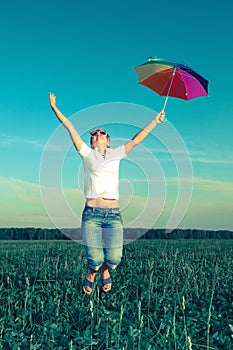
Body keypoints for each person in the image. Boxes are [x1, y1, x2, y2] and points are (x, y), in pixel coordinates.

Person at [49, 92, 165, 294]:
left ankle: (104, 270)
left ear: (108, 140)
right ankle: (92, 272)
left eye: (101, 133)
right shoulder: (87, 153)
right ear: (92, 142)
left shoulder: (116, 153)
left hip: (113, 214)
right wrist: (55, 108)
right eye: (94, 135)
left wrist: (155, 120)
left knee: (114, 259)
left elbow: (137, 139)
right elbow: (70, 128)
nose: (97, 135)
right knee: (94, 257)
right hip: (92, 214)